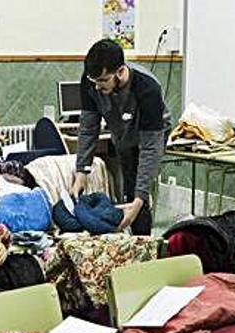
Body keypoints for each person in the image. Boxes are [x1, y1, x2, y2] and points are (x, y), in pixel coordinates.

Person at [71, 39, 171, 235]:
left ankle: (143, 246)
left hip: (151, 133)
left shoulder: (147, 88)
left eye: (103, 81)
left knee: (137, 193)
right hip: (122, 133)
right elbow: (88, 128)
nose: (97, 87)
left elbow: (150, 148)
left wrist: (139, 199)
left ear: (120, 71)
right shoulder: (91, 80)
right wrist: (82, 170)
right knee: (127, 188)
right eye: (94, 81)